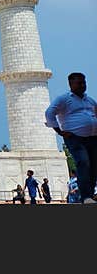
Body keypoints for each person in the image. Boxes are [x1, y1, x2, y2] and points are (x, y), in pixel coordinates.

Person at [45, 72, 97, 204]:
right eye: (79, 83)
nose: (82, 85)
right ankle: (86, 196)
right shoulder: (64, 99)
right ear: (71, 84)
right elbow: (49, 113)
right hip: (75, 138)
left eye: (83, 82)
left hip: (92, 137)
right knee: (83, 162)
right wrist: (59, 131)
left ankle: (89, 195)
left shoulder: (89, 100)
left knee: (93, 166)